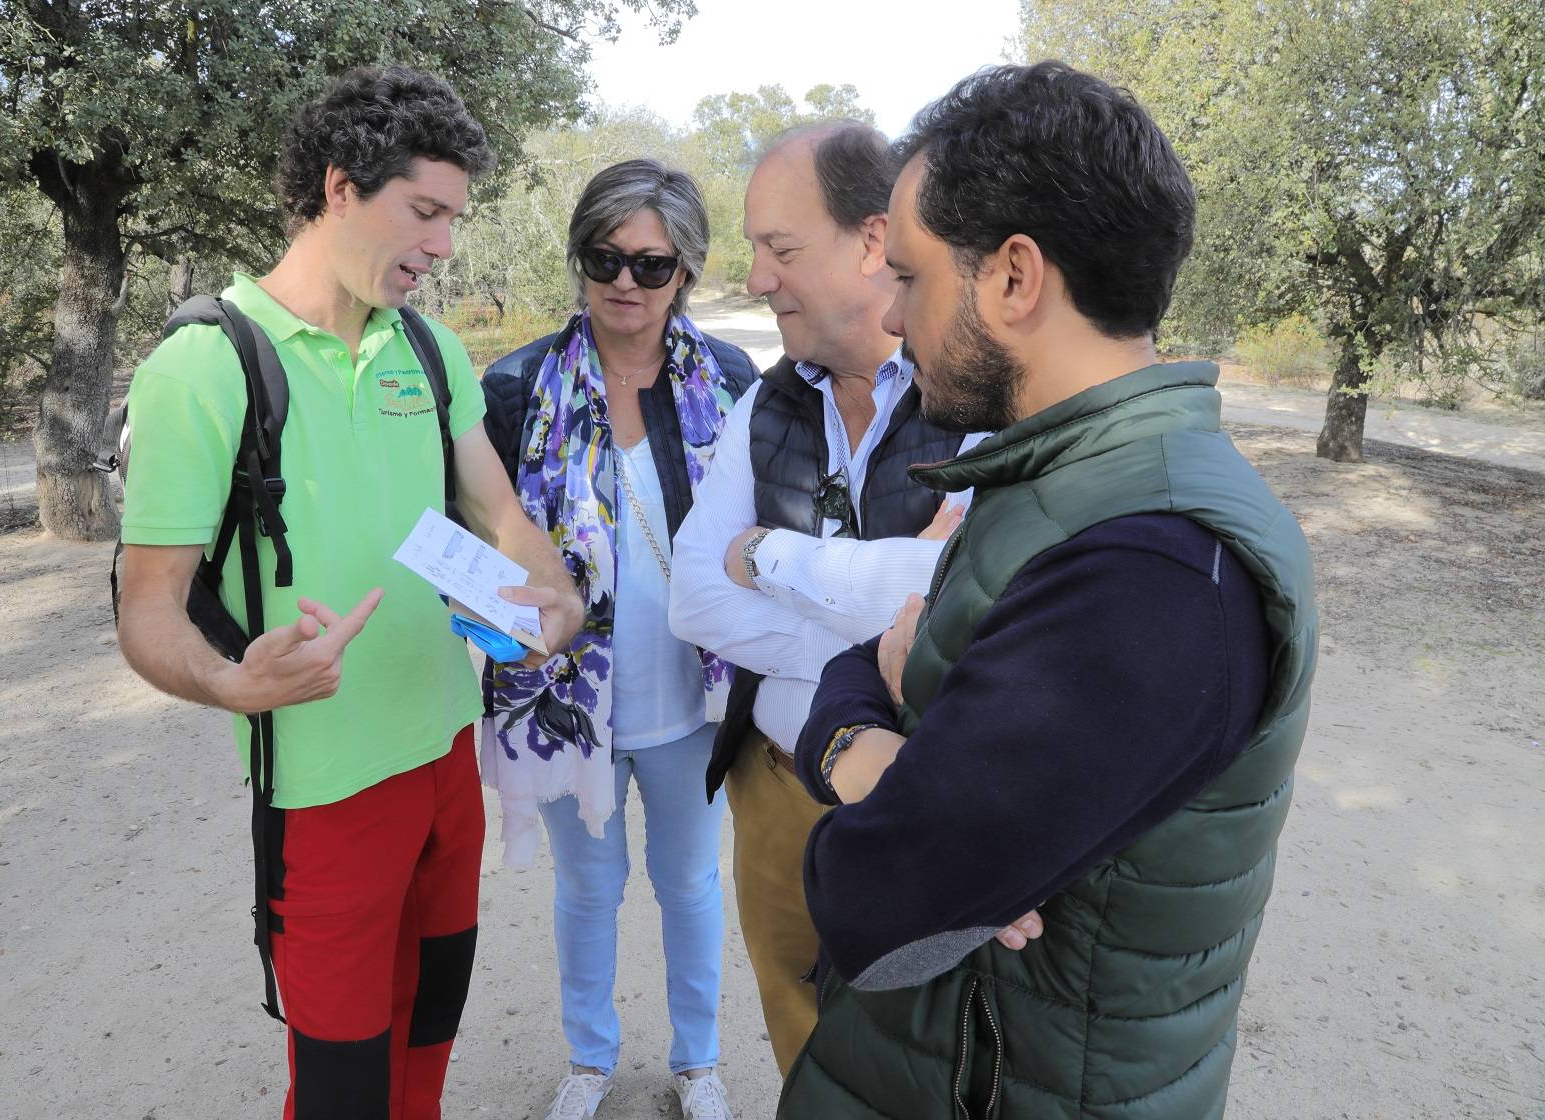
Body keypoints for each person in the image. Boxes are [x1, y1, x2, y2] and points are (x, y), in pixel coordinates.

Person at [779, 62, 1320, 1119]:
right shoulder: (1068, 485)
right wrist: (868, 743)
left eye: (916, 276)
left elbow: (875, 901)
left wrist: (862, 744)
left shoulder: (1149, 566)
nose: (893, 317)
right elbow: (868, 668)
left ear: (1015, 278)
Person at [114, 66, 583, 1120]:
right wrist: (232, 681)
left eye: (454, 218)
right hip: (323, 792)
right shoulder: (205, 366)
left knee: (430, 1037)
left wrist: (549, 593)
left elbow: (499, 515)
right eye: (425, 211)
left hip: (445, 760)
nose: (444, 244)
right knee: (339, 1087)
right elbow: (146, 609)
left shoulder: (429, 346)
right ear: (339, 188)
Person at [667, 122, 1035, 1077]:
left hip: (912, 795)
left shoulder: (983, 401)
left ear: (875, 241)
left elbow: (959, 596)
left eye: (780, 249)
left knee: (919, 1046)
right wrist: (868, 633)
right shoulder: (767, 404)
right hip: (774, 785)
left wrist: (771, 556)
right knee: (797, 1022)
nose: (754, 278)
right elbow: (692, 601)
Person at [478, 159, 759, 1120]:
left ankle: (698, 1064)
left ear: (685, 271)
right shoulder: (515, 388)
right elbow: (471, 541)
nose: (624, 282)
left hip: (693, 701)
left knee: (689, 885)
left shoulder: (729, 381)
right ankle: (591, 1063)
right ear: (580, 258)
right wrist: (498, 625)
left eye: (651, 264)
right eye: (605, 257)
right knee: (588, 890)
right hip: (562, 701)